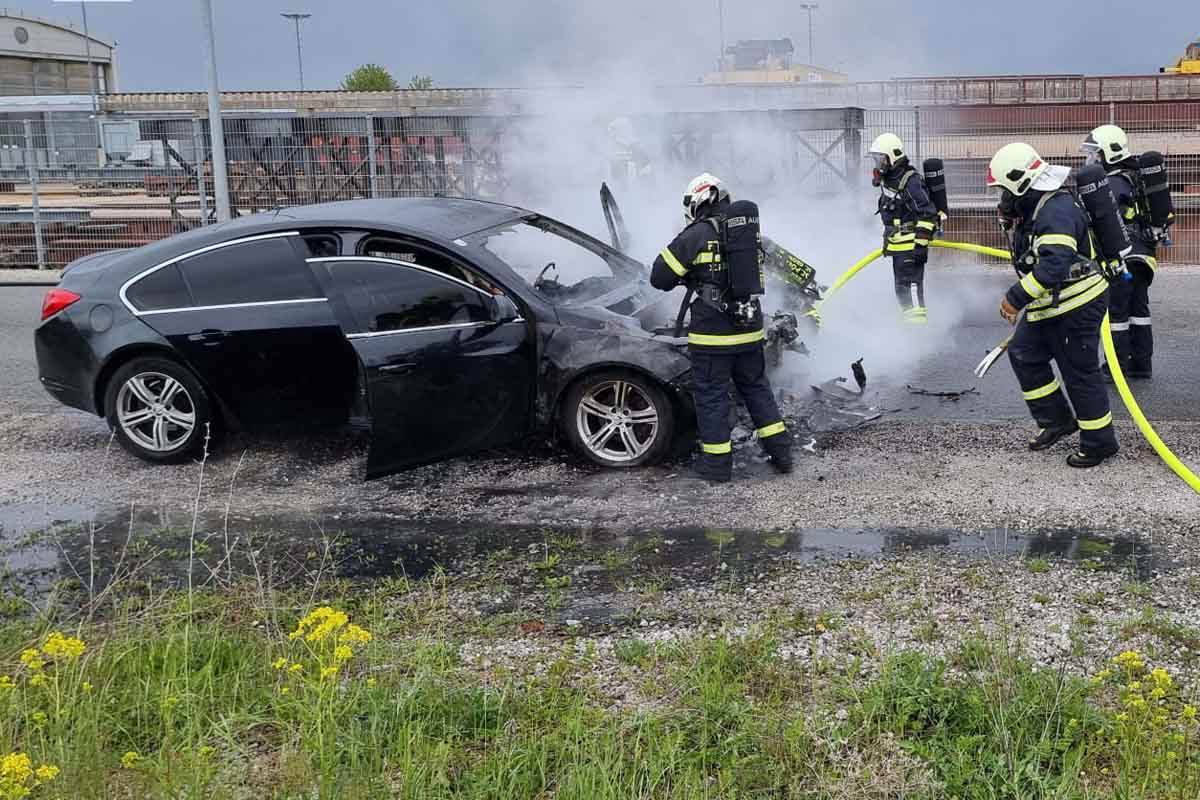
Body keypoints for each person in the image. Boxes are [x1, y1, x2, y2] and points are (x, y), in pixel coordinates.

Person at [650, 173, 792, 482]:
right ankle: (782, 454)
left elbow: (659, 277)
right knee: (757, 388)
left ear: (697, 202)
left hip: (713, 335)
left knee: (712, 396)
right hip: (750, 329)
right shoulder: (746, 233)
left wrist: (689, 273)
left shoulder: (696, 234)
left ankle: (716, 465)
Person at [988, 142, 1119, 468]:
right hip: (1051, 303)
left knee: (1079, 373)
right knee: (1024, 353)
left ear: (1020, 182)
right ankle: (1057, 421)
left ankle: (1099, 443)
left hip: (1077, 304)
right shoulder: (1037, 207)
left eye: (1004, 191)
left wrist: (1014, 299)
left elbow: (1054, 265)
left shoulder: (1055, 210)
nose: (1002, 199)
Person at [1082, 124, 1158, 379]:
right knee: (1139, 311)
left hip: (1122, 258)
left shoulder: (1111, 184)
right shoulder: (1133, 177)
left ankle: (1115, 367)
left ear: (1108, 153)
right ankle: (1141, 364)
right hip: (1143, 256)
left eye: (1095, 153)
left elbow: (1102, 220)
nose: (1091, 159)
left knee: (1117, 314)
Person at [868, 133, 939, 324]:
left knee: (911, 289)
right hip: (897, 246)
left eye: (880, 159)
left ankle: (918, 330)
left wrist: (920, 246)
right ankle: (910, 326)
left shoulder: (910, 180)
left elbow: (927, 214)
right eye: (876, 159)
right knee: (902, 290)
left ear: (893, 156)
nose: (878, 163)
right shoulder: (890, 178)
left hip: (910, 246)